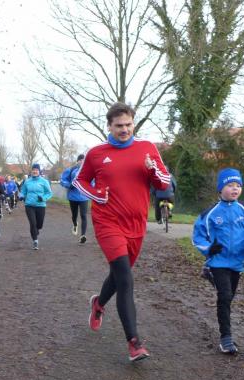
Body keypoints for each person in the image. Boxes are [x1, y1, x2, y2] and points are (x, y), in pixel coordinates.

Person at [72, 102, 172, 362]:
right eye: (119, 126)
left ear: (133, 124)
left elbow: (163, 183)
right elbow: (78, 181)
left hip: (136, 224)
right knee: (126, 279)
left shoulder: (147, 148)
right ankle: (134, 343)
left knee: (118, 276)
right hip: (108, 223)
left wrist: (153, 170)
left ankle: (98, 304)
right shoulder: (96, 153)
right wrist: (96, 194)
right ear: (109, 126)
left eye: (128, 125)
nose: (124, 130)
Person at [192, 168, 244, 354]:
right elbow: (198, 235)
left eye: (238, 185)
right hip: (218, 261)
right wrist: (208, 248)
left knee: (229, 297)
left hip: (237, 262)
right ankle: (226, 338)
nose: (235, 188)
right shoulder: (210, 213)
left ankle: (208, 274)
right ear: (220, 188)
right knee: (224, 297)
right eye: (230, 185)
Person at [19, 163, 53, 250]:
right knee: (32, 223)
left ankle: (36, 229)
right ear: (31, 171)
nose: (35, 171)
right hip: (29, 205)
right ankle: (35, 241)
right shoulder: (27, 181)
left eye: (36, 170)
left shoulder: (44, 181)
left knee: (39, 225)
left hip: (40, 205)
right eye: (33, 170)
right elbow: (23, 191)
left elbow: (49, 193)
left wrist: (43, 198)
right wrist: (21, 196)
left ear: (39, 171)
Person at [60, 154, 90, 244]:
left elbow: (92, 181)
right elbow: (62, 180)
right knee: (74, 215)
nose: (82, 162)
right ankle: (75, 224)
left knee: (84, 215)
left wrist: (92, 189)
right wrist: (69, 185)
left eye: (84, 160)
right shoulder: (71, 170)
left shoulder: (88, 170)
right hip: (73, 196)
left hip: (84, 197)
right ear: (77, 161)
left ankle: (83, 236)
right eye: (81, 160)